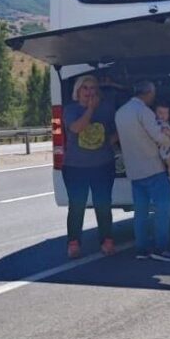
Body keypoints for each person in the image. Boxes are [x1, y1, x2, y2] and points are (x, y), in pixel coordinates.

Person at [115, 81, 170, 262]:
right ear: (149, 93)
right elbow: (159, 137)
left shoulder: (120, 112)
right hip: (153, 168)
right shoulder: (144, 112)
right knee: (163, 208)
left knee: (140, 212)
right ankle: (161, 248)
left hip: (134, 170)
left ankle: (141, 249)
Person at [62, 75, 117, 259]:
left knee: (103, 205)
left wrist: (107, 143)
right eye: (85, 88)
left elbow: (115, 131)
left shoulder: (107, 109)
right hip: (75, 167)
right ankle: (74, 243)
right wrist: (90, 110)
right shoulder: (71, 110)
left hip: (102, 165)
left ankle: (107, 240)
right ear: (77, 92)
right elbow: (76, 128)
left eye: (93, 88)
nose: (89, 92)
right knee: (77, 206)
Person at [154, 102, 170, 183]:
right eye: (160, 113)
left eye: (166, 113)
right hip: (164, 147)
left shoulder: (166, 123)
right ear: (155, 113)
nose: (163, 115)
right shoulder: (158, 124)